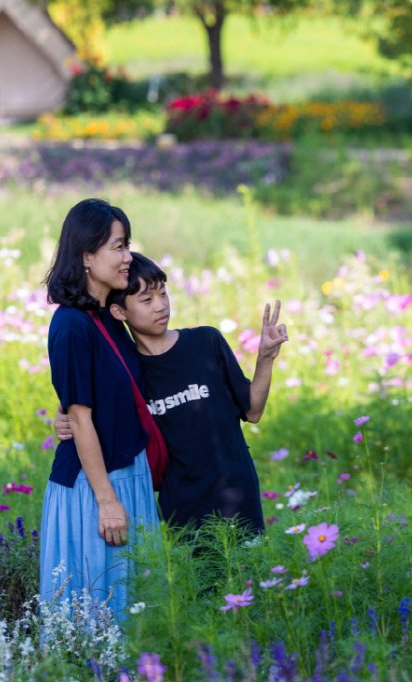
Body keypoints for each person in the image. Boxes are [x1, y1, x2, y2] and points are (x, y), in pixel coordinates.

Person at [56, 252, 287, 542]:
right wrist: (62, 418)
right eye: (146, 299)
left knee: (249, 567)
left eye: (163, 293)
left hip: (238, 494)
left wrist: (265, 358)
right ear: (119, 312)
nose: (161, 305)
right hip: (181, 507)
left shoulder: (206, 342)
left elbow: (252, 411)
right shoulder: (129, 373)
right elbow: (93, 416)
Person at [40, 199, 158, 623]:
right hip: (95, 489)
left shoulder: (110, 317)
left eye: (128, 246)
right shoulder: (71, 324)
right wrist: (107, 501)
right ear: (86, 256)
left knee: (135, 616)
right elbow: (81, 417)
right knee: (93, 617)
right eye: (118, 247)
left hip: (129, 475)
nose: (128, 258)